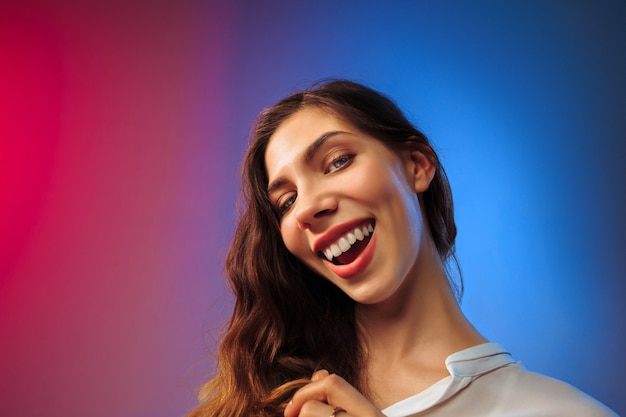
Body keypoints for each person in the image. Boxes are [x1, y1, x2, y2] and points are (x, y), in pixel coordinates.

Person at [188, 80, 618, 417]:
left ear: (417, 166)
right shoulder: (270, 397)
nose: (308, 208)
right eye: (286, 201)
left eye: (337, 161)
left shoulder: (562, 412)